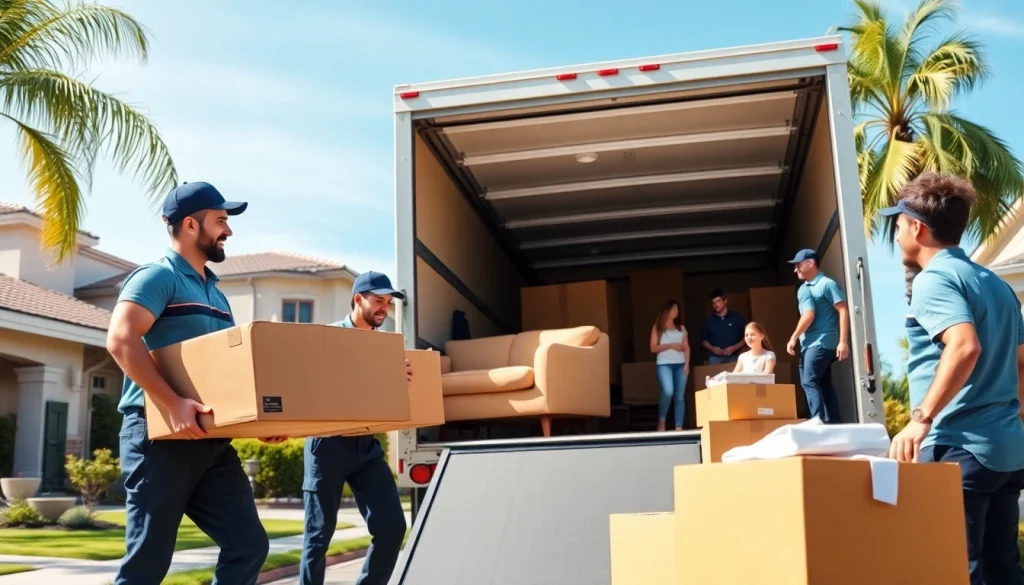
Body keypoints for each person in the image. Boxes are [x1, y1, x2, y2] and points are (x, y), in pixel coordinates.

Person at [106, 182, 280, 585]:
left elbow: (224, 374)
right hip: (159, 438)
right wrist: (172, 403)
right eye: (220, 221)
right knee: (147, 565)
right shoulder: (156, 277)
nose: (229, 231)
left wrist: (258, 425)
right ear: (189, 224)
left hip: (210, 442)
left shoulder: (217, 293)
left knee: (248, 544)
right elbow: (120, 340)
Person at [882, 172, 1024, 585]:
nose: (895, 234)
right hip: (1007, 451)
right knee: (1004, 570)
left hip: (958, 449)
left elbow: (964, 346)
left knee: (954, 570)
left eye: (897, 224)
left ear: (916, 226)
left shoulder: (934, 279)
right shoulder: (996, 285)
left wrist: (920, 417)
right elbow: (1020, 365)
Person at [300, 271, 411, 585]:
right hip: (328, 446)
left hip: (366, 447)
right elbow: (312, 386)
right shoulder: (328, 337)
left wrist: (394, 377)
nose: (383, 309)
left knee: (392, 528)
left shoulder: (384, 347)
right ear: (358, 299)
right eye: (378, 301)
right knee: (317, 538)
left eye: (388, 304)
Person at [785, 249, 850, 423]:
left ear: (811, 263)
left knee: (809, 382)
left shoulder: (826, 284)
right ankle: (835, 424)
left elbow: (840, 310)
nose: (795, 269)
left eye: (798, 264)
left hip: (820, 343)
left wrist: (843, 342)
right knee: (824, 384)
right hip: (816, 344)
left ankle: (816, 423)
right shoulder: (808, 287)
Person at [649, 299, 690, 432]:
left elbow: (687, 347)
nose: (676, 312)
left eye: (677, 309)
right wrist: (671, 345)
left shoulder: (681, 328)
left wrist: (687, 364)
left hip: (680, 364)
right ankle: (662, 420)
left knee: (679, 397)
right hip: (664, 364)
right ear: (666, 310)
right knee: (668, 391)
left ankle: (679, 426)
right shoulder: (657, 327)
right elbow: (653, 348)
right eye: (674, 309)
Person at [700, 289, 747, 365]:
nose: (716, 305)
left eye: (718, 301)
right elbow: (704, 340)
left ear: (725, 301)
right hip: (714, 358)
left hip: (734, 357)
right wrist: (712, 348)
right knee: (715, 377)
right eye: (713, 303)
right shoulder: (708, 320)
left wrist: (734, 348)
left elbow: (745, 338)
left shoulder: (737, 318)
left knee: (734, 377)